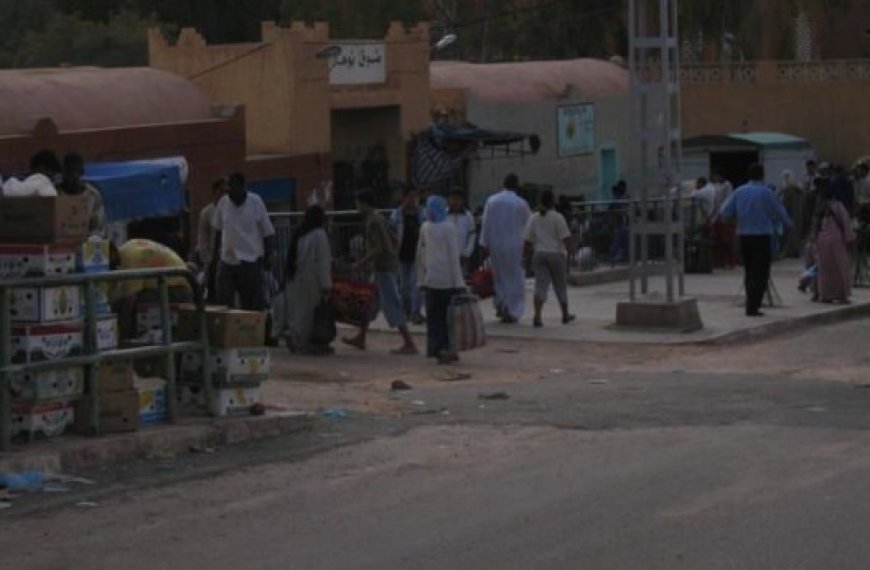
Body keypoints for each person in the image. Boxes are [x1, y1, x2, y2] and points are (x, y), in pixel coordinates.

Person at [342, 189, 418, 355]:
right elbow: (394, 239)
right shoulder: (380, 218)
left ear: (364, 203)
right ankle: (361, 337)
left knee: (392, 303)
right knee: (369, 302)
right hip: (385, 265)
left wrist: (359, 263)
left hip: (382, 267)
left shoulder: (373, 222)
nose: (357, 207)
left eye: (358, 203)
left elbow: (377, 247)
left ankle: (409, 342)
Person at [718, 163, 793, 317]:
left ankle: (750, 302)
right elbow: (781, 212)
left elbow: (725, 211)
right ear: (762, 175)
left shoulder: (739, 192)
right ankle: (754, 305)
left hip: (744, 236)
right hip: (762, 236)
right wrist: (789, 225)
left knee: (749, 271)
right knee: (761, 272)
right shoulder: (767, 193)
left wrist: (737, 220)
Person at [213, 172, 276, 311]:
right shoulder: (223, 203)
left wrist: (269, 255)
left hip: (250, 260)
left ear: (242, 187)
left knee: (251, 303)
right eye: (228, 191)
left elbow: (268, 232)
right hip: (227, 260)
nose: (231, 194)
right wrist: (214, 259)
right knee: (224, 300)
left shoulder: (256, 202)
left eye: (234, 190)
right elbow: (218, 231)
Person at [417, 195, 465, 364]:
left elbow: (420, 255)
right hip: (447, 281)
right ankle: (448, 349)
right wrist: (459, 282)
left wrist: (421, 280)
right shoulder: (449, 228)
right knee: (449, 319)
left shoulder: (425, 227)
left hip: (431, 281)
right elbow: (454, 257)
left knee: (434, 319)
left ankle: (436, 349)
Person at [479, 174, 531, 324]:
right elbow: (529, 226)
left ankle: (501, 305)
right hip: (515, 245)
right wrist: (529, 246)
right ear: (516, 185)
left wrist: (484, 244)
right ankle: (513, 310)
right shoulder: (521, 203)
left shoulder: (492, 200)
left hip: (496, 244)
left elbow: (485, 224)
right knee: (515, 278)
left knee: (499, 276)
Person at [284, 205, 333, 355]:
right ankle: (306, 343)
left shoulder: (299, 233)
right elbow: (323, 261)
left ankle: (296, 339)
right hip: (313, 279)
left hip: (297, 276)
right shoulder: (319, 234)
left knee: (298, 311)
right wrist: (326, 284)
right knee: (311, 313)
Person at [524, 190, 576, 328]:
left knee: (540, 286)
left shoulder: (534, 217)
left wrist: (527, 256)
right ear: (553, 202)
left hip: (539, 254)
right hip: (556, 254)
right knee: (560, 285)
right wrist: (572, 254)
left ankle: (537, 316)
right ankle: (565, 314)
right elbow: (566, 238)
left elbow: (527, 240)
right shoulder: (558, 217)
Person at [813, 178, 855, 303]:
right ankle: (842, 295)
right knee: (840, 267)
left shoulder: (820, 207)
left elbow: (815, 225)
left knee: (825, 268)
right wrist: (850, 239)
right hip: (836, 239)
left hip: (822, 239)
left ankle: (826, 294)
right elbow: (845, 223)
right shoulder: (838, 206)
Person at [390, 186, 426, 324]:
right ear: (403, 198)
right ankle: (406, 312)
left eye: (414, 197)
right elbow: (391, 233)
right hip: (402, 254)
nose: (412, 200)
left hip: (418, 254)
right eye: (409, 197)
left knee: (416, 285)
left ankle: (415, 312)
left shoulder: (422, 214)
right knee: (404, 287)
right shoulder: (396, 215)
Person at [196, 178, 228, 303]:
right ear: (215, 192)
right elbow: (203, 239)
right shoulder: (207, 213)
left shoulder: (230, 210)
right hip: (213, 259)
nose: (224, 194)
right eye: (221, 191)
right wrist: (207, 261)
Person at [57, 152, 105, 236]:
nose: (71, 175)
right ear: (62, 172)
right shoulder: (54, 193)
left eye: (74, 171)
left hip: (86, 243)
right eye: (68, 171)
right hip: (60, 244)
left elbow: (98, 225)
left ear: (81, 172)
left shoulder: (92, 195)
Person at [447, 189, 476, 274]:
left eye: (458, 199)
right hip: (446, 256)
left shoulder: (468, 216)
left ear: (463, 200)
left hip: (462, 256)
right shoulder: (444, 214)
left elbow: (472, 236)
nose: (455, 202)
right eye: (453, 199)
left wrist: (467, 252)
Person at [778, 170, 804, 258]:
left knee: (791, 234)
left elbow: (785, 203)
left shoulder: (790, 190)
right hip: (793, 216)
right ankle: (793, 251)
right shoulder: (797, 190)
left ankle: (792, 252)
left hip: (791, 215)